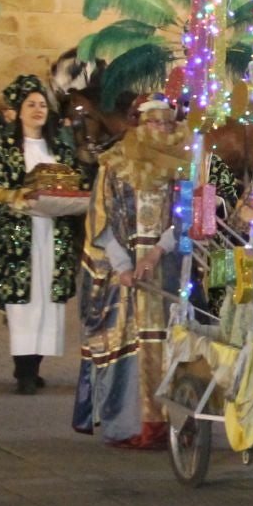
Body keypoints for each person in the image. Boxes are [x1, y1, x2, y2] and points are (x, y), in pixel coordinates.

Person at [75, 96, 186, 449]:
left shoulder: (186, 165)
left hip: (169, 266)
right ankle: (132, 424)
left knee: (175, 342)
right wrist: (122, 265)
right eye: (154, 122)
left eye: (167, 123)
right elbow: (100, 216)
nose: (161, 129)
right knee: (129, 340)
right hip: (125, 273)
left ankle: (173, 423)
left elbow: (189, 216)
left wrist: (157, 251)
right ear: (139, 123)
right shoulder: (114, 164)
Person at [0, 76, 89, 394]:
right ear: (19, 110)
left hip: (54, 234)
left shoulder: (61, 149)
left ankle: (35, 364)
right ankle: (23, 370)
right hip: (19, 236)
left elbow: (76, 185)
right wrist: (12, 197)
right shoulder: (4, 148)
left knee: (47, 303)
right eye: (31, 105)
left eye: (42, 105)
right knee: (22, 304)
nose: (38, 110)